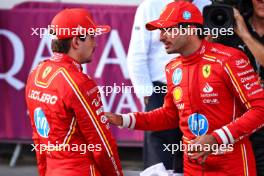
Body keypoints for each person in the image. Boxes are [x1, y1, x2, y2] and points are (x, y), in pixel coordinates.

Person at [107, 1, 264, 175]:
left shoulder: (229, 59)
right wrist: (122, 120)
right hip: (193, 169)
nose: (161, 37)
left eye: (168, 29)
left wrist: (216, 138)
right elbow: (169, 115)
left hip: (231, 168)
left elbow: (260, 110)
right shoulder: (172, 68)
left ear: (189, 29)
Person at [25, 8, 123, 176]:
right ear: (76, 42)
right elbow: (100, 143)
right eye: (92, 37)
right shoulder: (79, 82)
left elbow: (38, 138)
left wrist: (44, 171)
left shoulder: (36, 72)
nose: (96, 43)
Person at [127, 0, 211, 172]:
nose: (162, 36)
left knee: (193, 157)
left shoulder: (208, 4)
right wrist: (148, 95)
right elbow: (137, 55)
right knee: (158, 164)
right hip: (161, 91)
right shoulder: (150, 6)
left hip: (200, 91)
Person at [216, 0, 264, 174]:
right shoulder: (231, 23)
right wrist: (209, 35)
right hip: (237, 122)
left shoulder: (240, 29)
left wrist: (245, 35)